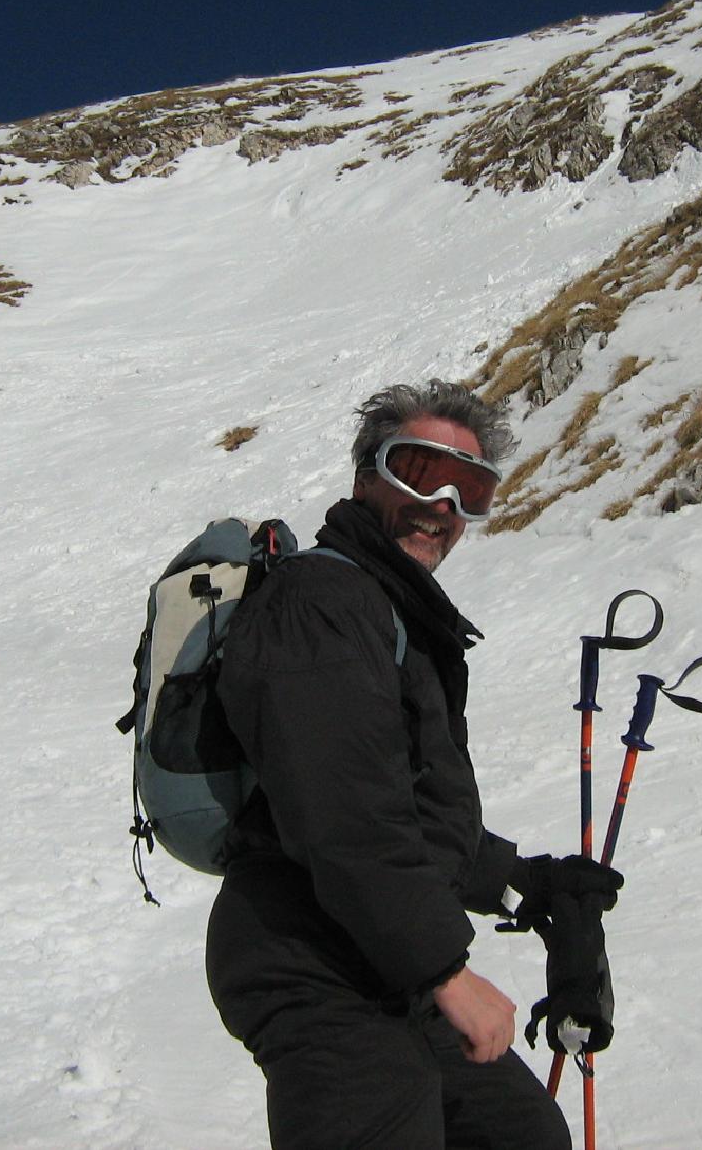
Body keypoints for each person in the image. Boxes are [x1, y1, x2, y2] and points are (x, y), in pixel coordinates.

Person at [207, 379, 622, 1150]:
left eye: (471, 490)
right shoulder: (321, 603)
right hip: (311, 958)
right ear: (367, 478)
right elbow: (345, 819)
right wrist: (445, 973)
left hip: (376, 953)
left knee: (520, 1133)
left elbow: (407, 807)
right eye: (423, 473)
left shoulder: (387, 609)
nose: (444, 507)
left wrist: (525, 881)